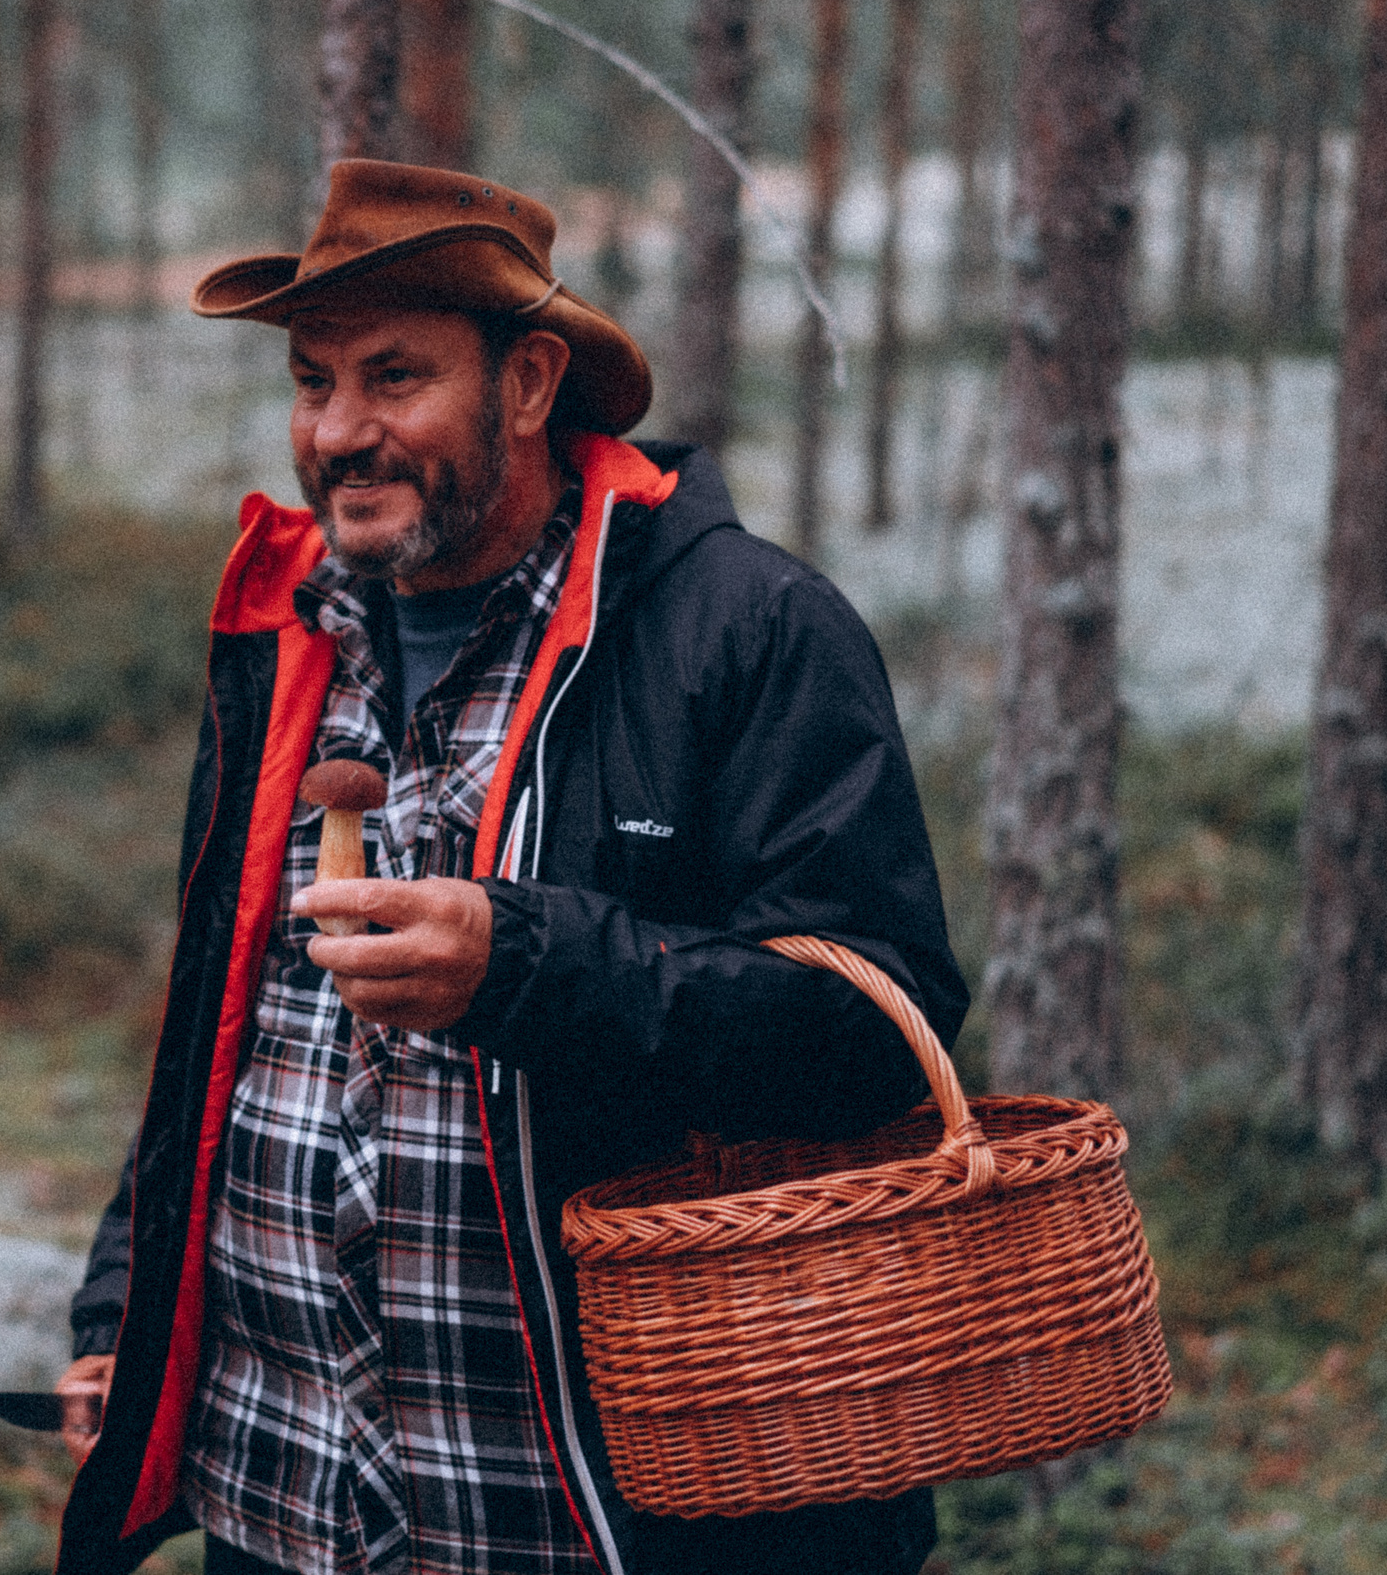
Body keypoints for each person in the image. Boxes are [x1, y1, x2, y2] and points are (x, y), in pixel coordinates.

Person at [51, 160, 970, 1575]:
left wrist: (527, 965)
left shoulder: (748, 632)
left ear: (530, 382)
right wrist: (128, 1308)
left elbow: (871, 1036)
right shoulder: (286, 641)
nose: (337, 433)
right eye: (312, 382)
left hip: (603, 1524)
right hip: (293, 1512)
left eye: (395, 377)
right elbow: (223, 1027)